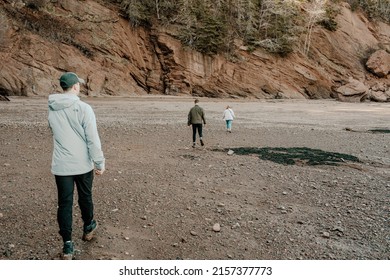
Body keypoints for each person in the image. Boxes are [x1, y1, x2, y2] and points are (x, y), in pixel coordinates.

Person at [48, 72, 105, 260]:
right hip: (82, 164)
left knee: (64, 204)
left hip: (61, 165)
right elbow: (92, 139)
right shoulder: (84, 108)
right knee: (85, 197)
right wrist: (99, 162)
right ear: (74, 87)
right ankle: (88, 226)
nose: (79, 86)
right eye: (78, 84)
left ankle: (67, 245)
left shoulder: (52, 108)